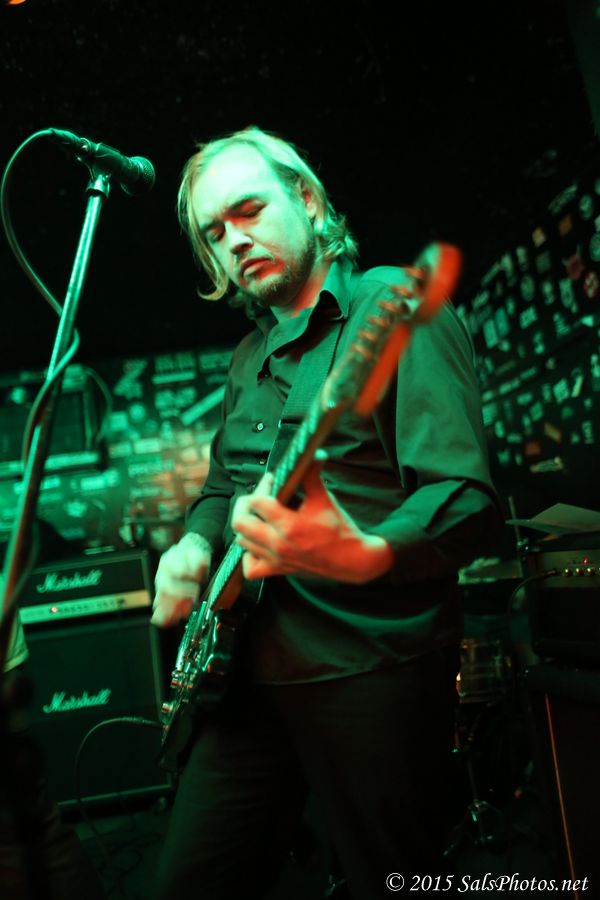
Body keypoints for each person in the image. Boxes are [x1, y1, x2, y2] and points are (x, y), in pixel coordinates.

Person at [151, 126, 502, 899]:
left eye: (249, 211)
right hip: (243, 675)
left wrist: (363, 552)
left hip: (365, 669)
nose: (234, 241)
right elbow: (223, 486)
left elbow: (463, 495)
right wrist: (194, 545)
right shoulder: (248, 360)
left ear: (307, 201)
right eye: (214, 233)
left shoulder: (394, 304)